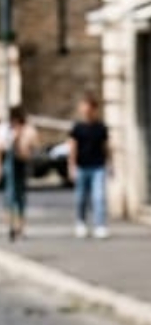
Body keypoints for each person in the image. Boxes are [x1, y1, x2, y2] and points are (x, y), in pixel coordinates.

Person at [0, 104, 41, 242]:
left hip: (22, 162)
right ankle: (12, 226)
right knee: (10, 195)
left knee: (21, 197)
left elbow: (34, 145)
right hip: (10, 161)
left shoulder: (27, 129)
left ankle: (21, 226)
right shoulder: (5, 129)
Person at [68, 93, 111, 241]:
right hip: (82, 166)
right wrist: (71, 166)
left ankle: (100, 225)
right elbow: (72, 148)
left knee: (99, 197)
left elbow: (106, 147)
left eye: (89, 108)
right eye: (84, 107)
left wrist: (109, 164)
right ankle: (81, 223)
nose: (86, 111)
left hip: (98, 166)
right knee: (81, 198)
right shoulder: (77, 128)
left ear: (94, 109)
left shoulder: (101, 128)